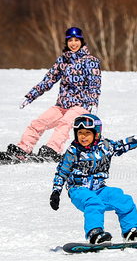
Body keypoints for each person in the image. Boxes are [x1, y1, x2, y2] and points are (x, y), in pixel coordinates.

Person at [49, 113, 137, 244]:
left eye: (87, 133)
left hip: (99, 189)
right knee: (93, 202)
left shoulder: (105, 146)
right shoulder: (73, 151)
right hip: (78, 190)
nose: (83, 136)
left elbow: (123, 145)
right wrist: (56, 192)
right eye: (80, 132)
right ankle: (95, 233)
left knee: (123, 199)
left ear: (96, 133)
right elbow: (62, 172)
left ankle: (131, 231)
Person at [6, 27, 101, 162]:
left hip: (81, 106)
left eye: (76, 40)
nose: (73, 43)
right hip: (62, 106)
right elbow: (48, 80)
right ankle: (23, 148)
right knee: (39, 123)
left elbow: (94, 83)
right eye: (70, 41)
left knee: (65, 123)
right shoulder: (62, 61)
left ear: (81, 41)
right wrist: (30, 96)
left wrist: (93, 102)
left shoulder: (90, 61)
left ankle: (53, 150)